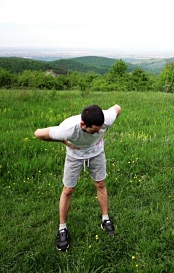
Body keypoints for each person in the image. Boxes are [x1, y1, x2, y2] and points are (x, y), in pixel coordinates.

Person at [35, 104, 122, 251]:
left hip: (96, 153)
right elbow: (38, 133)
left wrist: (101, 134)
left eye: (101, 129)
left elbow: (118, 107)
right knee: (68, 190)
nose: (98, 132)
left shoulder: (106, 119)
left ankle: (105, 220)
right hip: (74, 156)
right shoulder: (67, 130)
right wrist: (63, 141)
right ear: (83, 124)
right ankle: (62, 229)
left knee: (100, 184)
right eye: (95, 130)